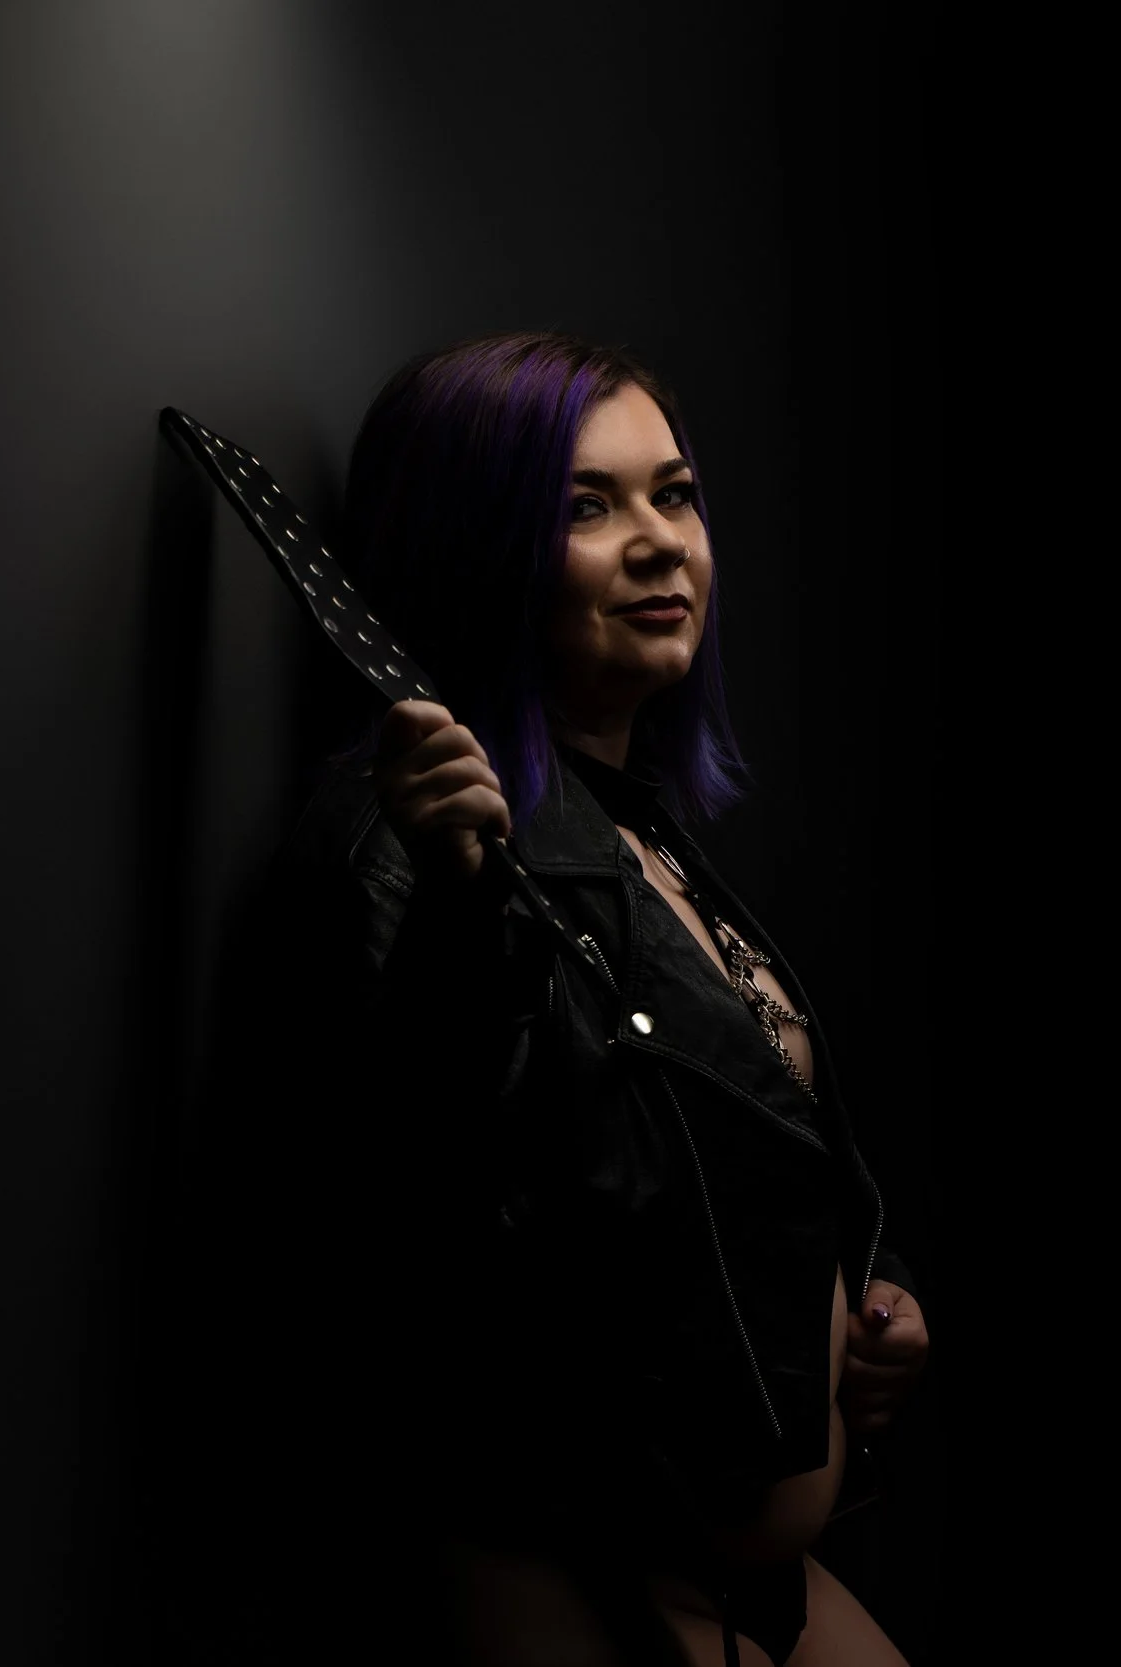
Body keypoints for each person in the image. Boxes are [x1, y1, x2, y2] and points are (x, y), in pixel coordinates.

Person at [193, 331, 930, 1667]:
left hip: (756, 1572)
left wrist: (871, 1288)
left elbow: (740, 1137)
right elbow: (396, 1211)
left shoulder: (643, 834)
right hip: (578, 1578)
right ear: (478, 546)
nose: (659, 540)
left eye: (676, 492)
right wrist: (458, 907)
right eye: (584, 507)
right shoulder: (409, 835)